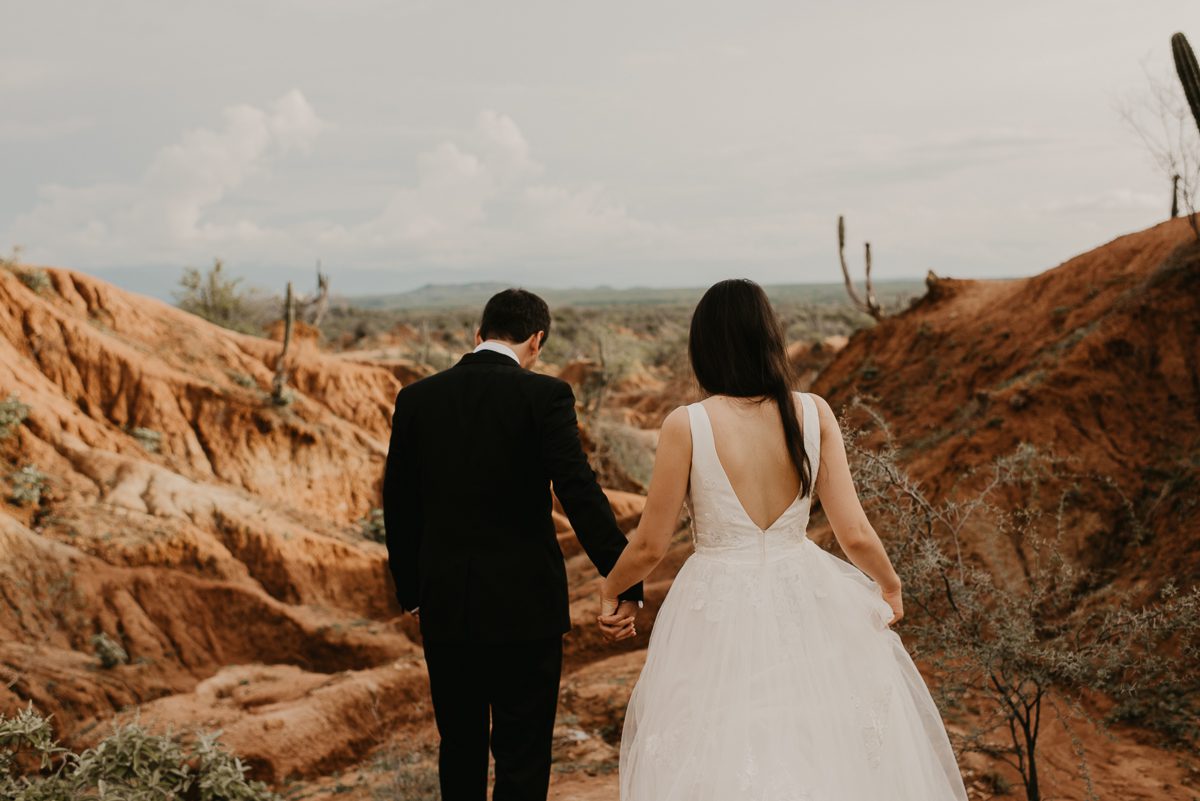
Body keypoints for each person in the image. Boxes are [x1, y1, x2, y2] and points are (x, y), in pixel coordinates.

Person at [598, 279, 969, 800]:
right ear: (769, 337)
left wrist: (610, 589)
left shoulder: (687, 424)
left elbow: (649, 547)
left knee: (720, 742)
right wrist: (889, 585)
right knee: (816, 737)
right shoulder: (813, 412)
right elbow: (855, 532)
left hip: (717, 601)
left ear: (704, 346)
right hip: (806, 590)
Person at [383, 288, 643, 801]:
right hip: (527, 607)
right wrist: (624, 578)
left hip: (447, 604)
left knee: (459, 746)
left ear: (477, 335)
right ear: (537, 340)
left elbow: (398, 503)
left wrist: (412, 591)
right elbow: (579, 492)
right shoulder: (546, 397)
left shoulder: (416, 398)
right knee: (523, 753)